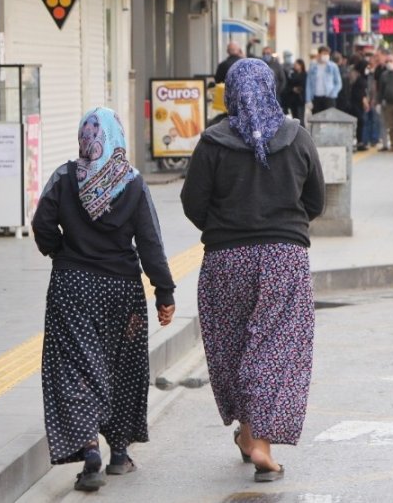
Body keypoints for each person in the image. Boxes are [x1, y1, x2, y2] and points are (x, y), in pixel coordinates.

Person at [181, 58, 325, 484]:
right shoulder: (296, 136)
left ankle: (248, 435)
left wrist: (225, 229)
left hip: (225, 261)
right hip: (284, 259)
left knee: (233, 348)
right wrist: (284, 227)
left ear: (229, 93)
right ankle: (260, 442)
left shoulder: (212, 142)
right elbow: (315, 201)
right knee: (275, 348)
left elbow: (193, 204)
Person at [31, 107, 175, 493]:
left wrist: (61, 252)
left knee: (75, 367)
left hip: (72, 287)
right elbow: (150, 241)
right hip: (122, 292)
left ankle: (89, 448)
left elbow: (42, 224)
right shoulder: (133, 182)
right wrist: (164, 291)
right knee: (122, 369)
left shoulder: (64, 177)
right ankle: (120, 454)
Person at [305, 45, 342, 113]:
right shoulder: (313, 66)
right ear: (319, 54)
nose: (326, 56)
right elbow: (309, 84)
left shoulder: (333, 66)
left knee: (329, 117)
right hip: (316, 97)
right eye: (324, 54)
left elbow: (338, 83)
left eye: (327, 54)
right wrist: (308, 100)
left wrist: (333, 93)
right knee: (317, 117)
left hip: (329, 97)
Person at [346, 58, 370, 150]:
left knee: (359, 122)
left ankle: (359, 142)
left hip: (355, 103)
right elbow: (361, 93)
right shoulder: (359, 78)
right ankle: (359, 142)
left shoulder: (360, 76)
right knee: (360, 122)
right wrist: (365, 103)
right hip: (356, 104)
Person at [281, 58, 307, 126]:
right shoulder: (292, 74)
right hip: (292, 99)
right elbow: (288, 85)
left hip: (300, 99)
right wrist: (293, 89)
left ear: (301, 65)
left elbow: (305, 86)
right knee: (295, 118)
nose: (295, 66)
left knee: (300, 118)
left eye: (296, 65)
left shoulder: (305, 74)